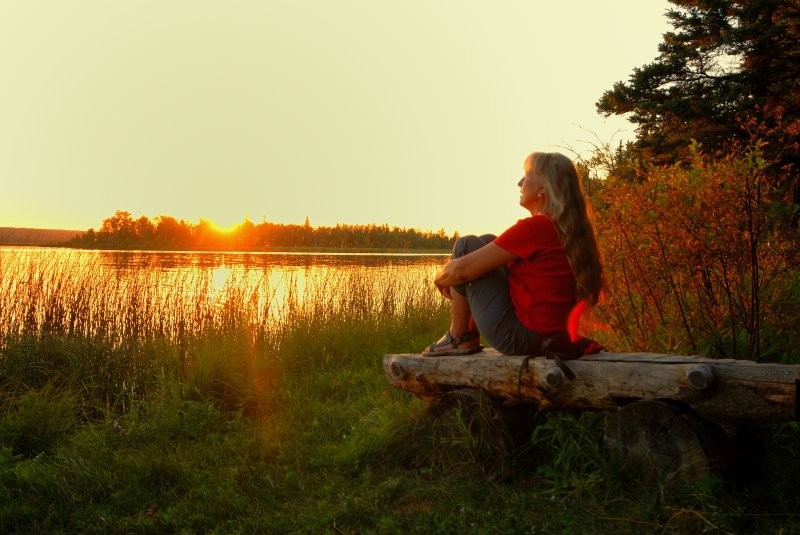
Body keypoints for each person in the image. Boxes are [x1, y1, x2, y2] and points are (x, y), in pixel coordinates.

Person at [423, 151, 604, 357]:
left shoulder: (536, 227)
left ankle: (459, 337)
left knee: (466, 245)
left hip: (521, 339)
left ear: (542, 188)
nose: (519, 182)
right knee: (488, 241)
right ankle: (465, 336)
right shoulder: (563, 227)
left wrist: (440, 277)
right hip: (553, 338)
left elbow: (459, 272)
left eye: (526, 176)